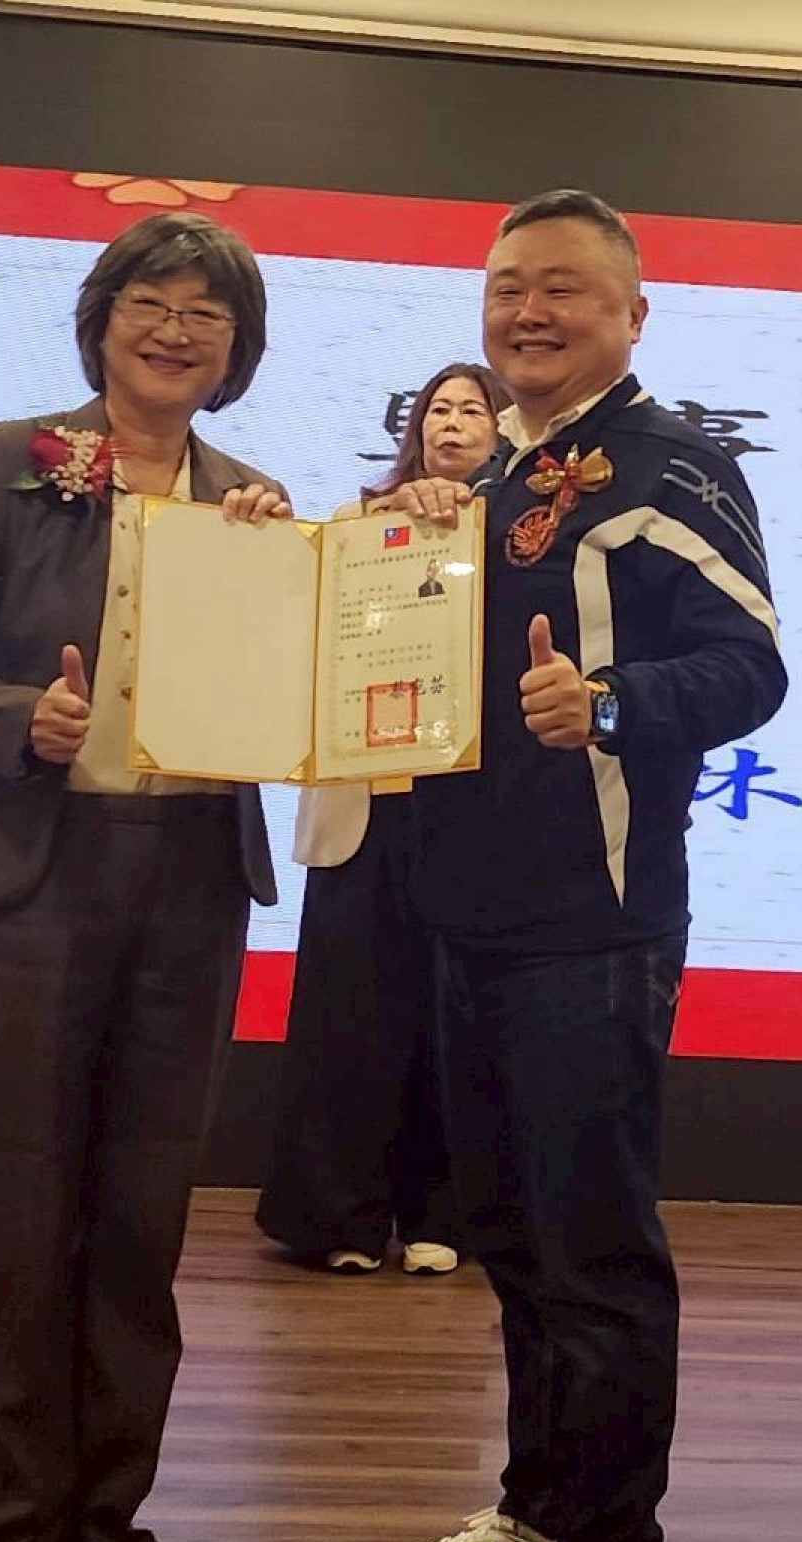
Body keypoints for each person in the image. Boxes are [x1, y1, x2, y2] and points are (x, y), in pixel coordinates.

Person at [373, 191, 788, 1542]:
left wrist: (607, 704)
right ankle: (542, 1515)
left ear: (630, 314)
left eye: (561, 288)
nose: (527, 313)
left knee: (594, 1255)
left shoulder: (673, 465)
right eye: (506, 289)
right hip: (469, 911)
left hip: (593, 924)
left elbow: (750, 665)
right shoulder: (494, 475)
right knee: (516, 1240)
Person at [0, 211, 286, 1542]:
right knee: (15, 1216)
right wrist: (24, 719)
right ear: (102, 319)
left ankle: (102, 1530)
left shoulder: (254, 505)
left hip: (190, 882)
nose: (177, 331)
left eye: (207, 314)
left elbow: (290, 693)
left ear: (238, 350)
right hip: (31, 879)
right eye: (151, 302)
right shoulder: (7, 461)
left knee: (138, 1218)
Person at [254, 363, 505, 1276]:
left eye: (472, 409)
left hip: (469, 815)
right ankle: (339, 1218)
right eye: (438, 409)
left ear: (503, 430)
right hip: (364, 806)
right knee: (350, 1016)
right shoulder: (358, 524)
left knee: (455, 1021)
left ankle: (444, 1214)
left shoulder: (521, 530)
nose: (451, 422)